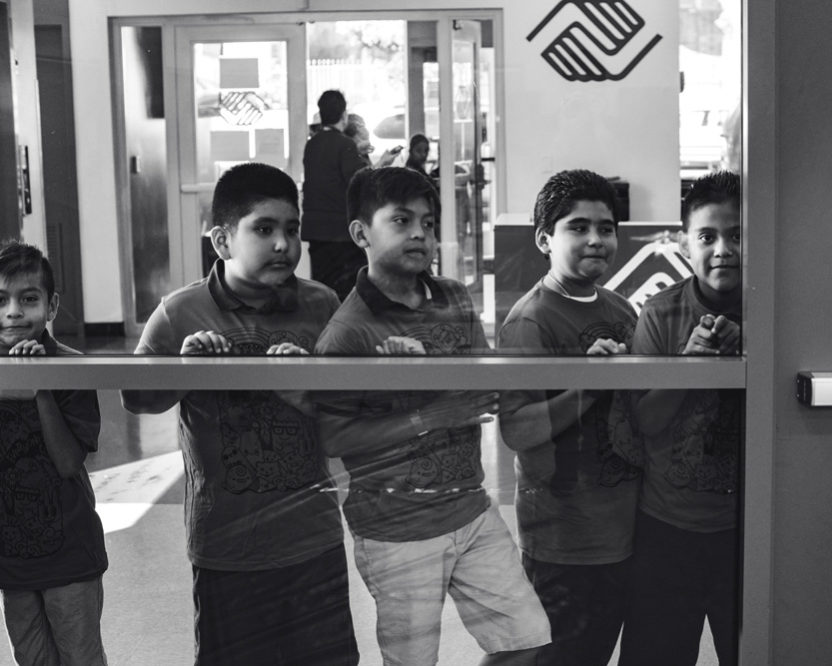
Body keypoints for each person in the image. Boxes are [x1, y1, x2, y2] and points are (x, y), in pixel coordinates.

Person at [311, 166, 550, 666]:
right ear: (361, 233)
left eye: (428, 221)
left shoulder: (454, 296)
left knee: (527, 642)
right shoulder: (348, 332)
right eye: (401, 220)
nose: (419, 233)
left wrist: (431, 372)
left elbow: (482, 378)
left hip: (472, 510)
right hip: (395, 531)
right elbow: (332, 436)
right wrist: (428, 412)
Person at [121, 163, 357, 666]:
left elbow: (348, 411)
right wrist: (184, 369)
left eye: (291, 230)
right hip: (227, 545)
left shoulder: (320, 304)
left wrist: (311, 383)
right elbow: (138, 400)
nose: (283, 245)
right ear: (222, 241)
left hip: (311, 539)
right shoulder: (179, 311)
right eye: (264, 229)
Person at [496, 169, 642, 666]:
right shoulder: (530, 320)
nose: (596, 239)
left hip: (624, 528)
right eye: (578, 227)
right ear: (544, 239)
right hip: (564, 540)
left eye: (606, 228)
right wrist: (587, 388)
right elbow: (518, 429)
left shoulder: (623, 310)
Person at [619, 171, 742, 666]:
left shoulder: (777, 314)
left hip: (749, 530)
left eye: (737, 235)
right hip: (667, 530)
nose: (723, 250)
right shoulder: (660, 315)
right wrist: (689, 365)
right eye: (707, 237)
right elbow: (645, 421)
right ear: (685, 245)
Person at [0, 242, 108, 665]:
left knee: (80, 656)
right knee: (32, 658)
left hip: (70, 556)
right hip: (12, 561)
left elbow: (67, 462)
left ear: (51, 306)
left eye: (28, 299)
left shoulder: (69, 367)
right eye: (1, 300)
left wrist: (40, 383)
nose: (13, 312)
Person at [302, 89, 369, 300]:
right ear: (344, 115)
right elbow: (359, 182)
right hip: (340, 231)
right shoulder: (345, 145)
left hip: (316, 231)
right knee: (347, 293)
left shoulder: (312, 144)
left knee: (323, 292)